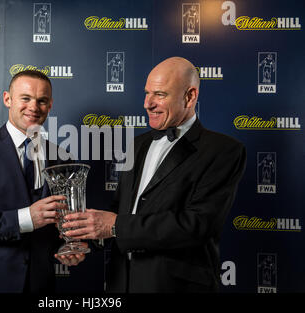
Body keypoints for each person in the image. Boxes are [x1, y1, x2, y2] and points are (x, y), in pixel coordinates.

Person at [62, 57, 247, 292]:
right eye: (147, 93)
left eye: (159, 94)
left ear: (190, 96)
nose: (147, 103)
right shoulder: (136, 145)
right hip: (121, 284)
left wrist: (115, 226)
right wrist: (89, 238)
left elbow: (197, 224)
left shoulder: (223, 150)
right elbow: (121, 212)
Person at [0, 70, 85, 293]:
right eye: (26, 98)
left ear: (50, 105)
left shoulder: (62, 157)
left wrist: (66, 248)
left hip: (40, 284)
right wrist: (26, 217)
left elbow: (60, 224)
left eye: (42, 100)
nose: (34, 107)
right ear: (7, 99)